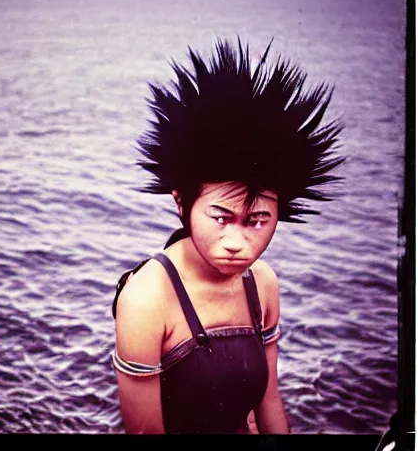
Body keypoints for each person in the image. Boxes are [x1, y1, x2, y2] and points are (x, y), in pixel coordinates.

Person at [111, 38, 344, 434]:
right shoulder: (146, 298)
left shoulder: (263, 284)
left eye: (257, 221)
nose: (237, 241)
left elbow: (268, 400)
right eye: (220, 218)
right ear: (182, 203)